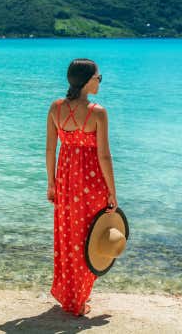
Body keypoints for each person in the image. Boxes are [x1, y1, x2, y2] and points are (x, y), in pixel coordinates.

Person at [45, 58, 117, 316]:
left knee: (68, 237)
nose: (100, 81)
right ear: (87, 80)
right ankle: (78, 299)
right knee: (90, 238)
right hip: (92, 183)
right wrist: (112, 191)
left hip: (65, 181)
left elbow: (51, 150)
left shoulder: (56, 108)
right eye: (99, 77)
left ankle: (70, 295)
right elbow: (104, 157)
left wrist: (51, 183)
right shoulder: (98, 112)